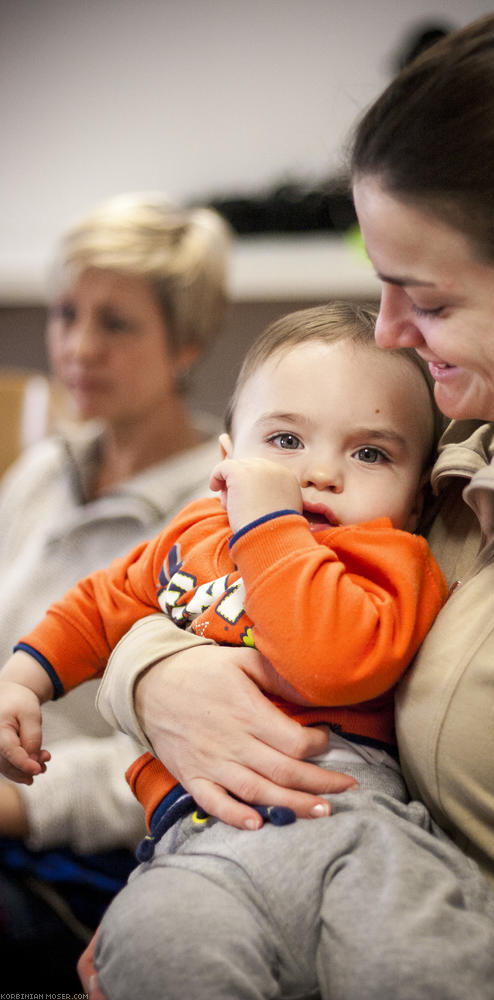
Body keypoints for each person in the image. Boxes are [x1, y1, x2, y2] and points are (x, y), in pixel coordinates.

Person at [80, 4, 494, 999]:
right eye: (380, 280)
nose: (390, 332)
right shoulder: (483, 425)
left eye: (429, 301)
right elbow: (190, 569)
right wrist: (151, 676)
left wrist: (263, 958)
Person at [0, 301, 494, 1000]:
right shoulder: (194, 533)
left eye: (369, 453)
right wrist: (22, 681)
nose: (319, 474)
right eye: (284, 441)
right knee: (156, 945)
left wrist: (269, 524)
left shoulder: (388, 559)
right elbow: (96, 606)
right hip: (200, 837)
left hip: (353, 822)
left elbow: (325, 661)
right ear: (226, 459)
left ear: (417, 501)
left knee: (418, 960)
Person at [0, 191, 232, 989]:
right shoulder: (43, 470)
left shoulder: (217, 509)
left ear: (187, 342)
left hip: (91, 860)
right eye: (67, 314)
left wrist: (21, 805)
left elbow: (188, 752)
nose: (78, 347)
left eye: (117, 323)